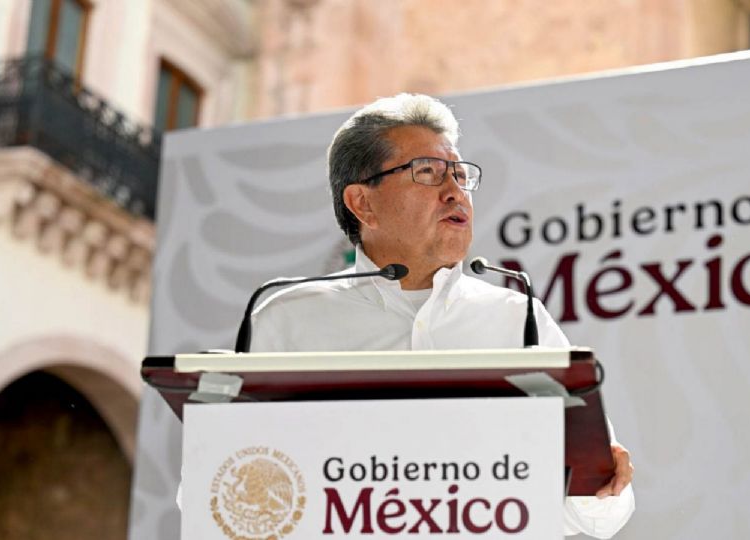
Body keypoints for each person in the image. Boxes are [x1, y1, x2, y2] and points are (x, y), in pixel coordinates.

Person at [251, 93, 634, 538]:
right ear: (362, 203)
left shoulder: (516, 319)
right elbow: (225, 486)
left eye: (460, 175)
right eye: (427, 172)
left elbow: (599, 516)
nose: (455, 192)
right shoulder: (290, 319)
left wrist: (602, 483)